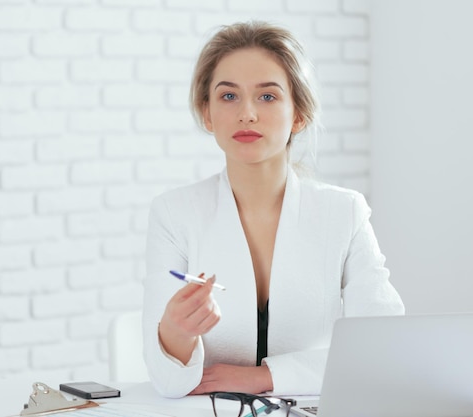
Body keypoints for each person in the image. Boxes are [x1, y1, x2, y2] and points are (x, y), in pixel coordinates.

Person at [142, 21, 404, 399]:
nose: (247, 113)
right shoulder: (173, 214)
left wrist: (267, 377)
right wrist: (176, 333)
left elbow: (386, 349)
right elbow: (169, 383)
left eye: (267, 97)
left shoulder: (343, 213)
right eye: (228, 96)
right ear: (207, 113)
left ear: (298, 114)